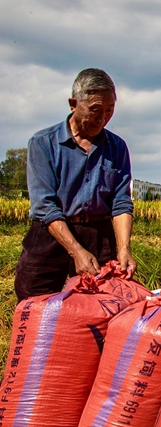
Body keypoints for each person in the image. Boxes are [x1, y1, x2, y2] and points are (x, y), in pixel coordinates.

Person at [15, 69, 136, 301]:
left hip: (99, 236)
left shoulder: (117, 147)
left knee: (100, 305)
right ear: (73, 104)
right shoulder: (43, 143)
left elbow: (121, 202)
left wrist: (123, 249)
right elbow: (45, 206)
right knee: (34, 300)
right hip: (51, 233)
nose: (102, 119)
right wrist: (76, 250)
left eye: (109, 111)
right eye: (95, 110)